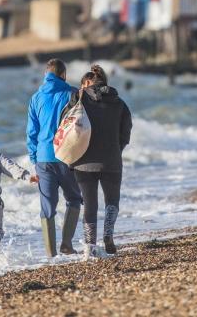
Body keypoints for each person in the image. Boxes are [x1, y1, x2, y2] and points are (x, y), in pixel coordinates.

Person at [63, 64, 132, 258]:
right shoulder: (119, 103)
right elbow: (125, 133)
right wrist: (116, 150)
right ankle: (108, 235)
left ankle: (90, 246)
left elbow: (64, 126)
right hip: (111, 159)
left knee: (90, 203)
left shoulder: (79, 99)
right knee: (112, 201)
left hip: (83, 160)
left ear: (88, 82)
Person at [26, 58, 83, 257]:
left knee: (47, 206)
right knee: (74, 199)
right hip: (66, 156)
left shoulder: (35, 98)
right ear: (63, 75)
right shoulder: (72, 94)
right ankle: (66, 244)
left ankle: (50, 254)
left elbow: (31, 133)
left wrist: (34, 159)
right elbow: (82, 126)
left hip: (43, 159)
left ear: (46, 75)